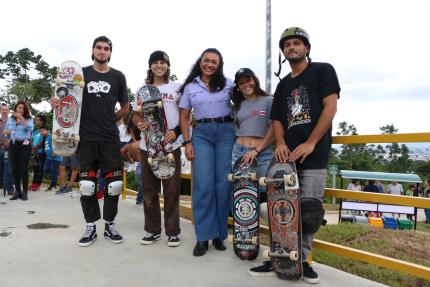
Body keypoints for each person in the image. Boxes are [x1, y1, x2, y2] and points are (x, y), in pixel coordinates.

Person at [249, 27, 340, 284]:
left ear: (306, 48)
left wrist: (311, 142)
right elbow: (277, 118)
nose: (292, 47)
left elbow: (331, 107)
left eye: (297, 43)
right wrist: (279, 141)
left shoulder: (323, 70)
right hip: (285, 157)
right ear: (284, 51)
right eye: (287, 44)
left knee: (309, 212)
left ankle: (302, 261)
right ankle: (279, 255)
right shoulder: (283, 84)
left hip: (313, 153)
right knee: (279, 208)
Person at [51, 35, 129, 247]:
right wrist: (57, 102)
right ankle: (91, 227)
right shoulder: (81, 75)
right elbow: (66, 100)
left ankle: (110, 224)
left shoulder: (118, 77)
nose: (102, 51)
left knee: (114, 184)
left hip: (109, 137)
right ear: (93, 50)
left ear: (110, 53)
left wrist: (111, 120)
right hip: (85, 137)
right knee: (87, 185)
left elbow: (125, 107)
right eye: (99, 48)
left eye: (106, 48)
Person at [179, 48, 235, 256]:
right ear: (200, 62)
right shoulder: (190, 87)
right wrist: (187, 142)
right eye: (206, 61)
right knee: (203, 184)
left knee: (223, 184)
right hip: (201, 134)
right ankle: (202, 236)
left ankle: (219, 235)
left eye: (214, 62)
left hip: (226, 133)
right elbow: (184, 116)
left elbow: (246, 96)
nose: (210, 64)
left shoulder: (229, 84)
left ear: (219, 64)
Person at [133, 50, 182, 247]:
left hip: (171, 145)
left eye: (163, 62)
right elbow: (136, 114)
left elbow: (186, 114)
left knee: (171, 190)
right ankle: (152, 231)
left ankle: (173, 232)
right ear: (150, 66)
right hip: (149, 146)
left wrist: (177, 131)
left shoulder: (177, 88)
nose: (159, 66)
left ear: (168, 66)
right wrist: (139, 123)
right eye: (155, 63)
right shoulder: (142, 90)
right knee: (149, 190)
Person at [231, 67, 274, 201]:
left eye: (248, 80)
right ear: (238, 87)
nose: (245, 85)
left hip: (261, 153)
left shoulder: (268, 100)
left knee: (263, 195)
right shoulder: (238, 105)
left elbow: (275, 129)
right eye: (241, 83)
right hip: (239, 153)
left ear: (255, 80)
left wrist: (256, 150)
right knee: (242, 196)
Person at [4, 101, 34, 200]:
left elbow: (30, 128)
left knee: (23, 169)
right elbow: (6, 131)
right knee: (14, 169)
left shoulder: (29, 119)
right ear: (16, 108)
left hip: (24, 145)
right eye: (19, 107)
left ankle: (25, 192)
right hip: (13, 144)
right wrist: (7, 134)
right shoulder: (10, 119)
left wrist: (21, 118)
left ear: (25, 110)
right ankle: (18, 192)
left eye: (22, 108)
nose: (20, 109)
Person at [41, 126, 62, 192]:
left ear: (47, 130)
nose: (42, 132)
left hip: (56, 158)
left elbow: (58, 142)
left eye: (43, 130)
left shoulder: (50, 136)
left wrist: (54, 152)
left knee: (53, 172)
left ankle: (52, 186)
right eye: (41, 131)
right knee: (45, 169)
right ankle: (57, 175)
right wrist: (45, 149)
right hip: (48, 157)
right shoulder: (45, 137)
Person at [29, 114, 47, 191]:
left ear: (41, 121)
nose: (35, 121)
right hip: (34, 152)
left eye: (37, 120)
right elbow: (31, 140)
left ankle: (38, 184)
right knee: (35, 168)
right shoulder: (35, 131)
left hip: (41, 152)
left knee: (40, 169)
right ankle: (34, 183)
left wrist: (36, 147)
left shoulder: (45, 130)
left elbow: (43, 141)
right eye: (35, 120)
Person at [0, 103, 14, 195]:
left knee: (9, 169)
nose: (4, 111)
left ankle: (10, 189)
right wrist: (3, 141)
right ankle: (2, 186)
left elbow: (16, 132)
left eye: (6, 109)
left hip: (9, 148)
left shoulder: (12, 121)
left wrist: (9, 141)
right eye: (3, 109)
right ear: (0, 111)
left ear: (8, 111)